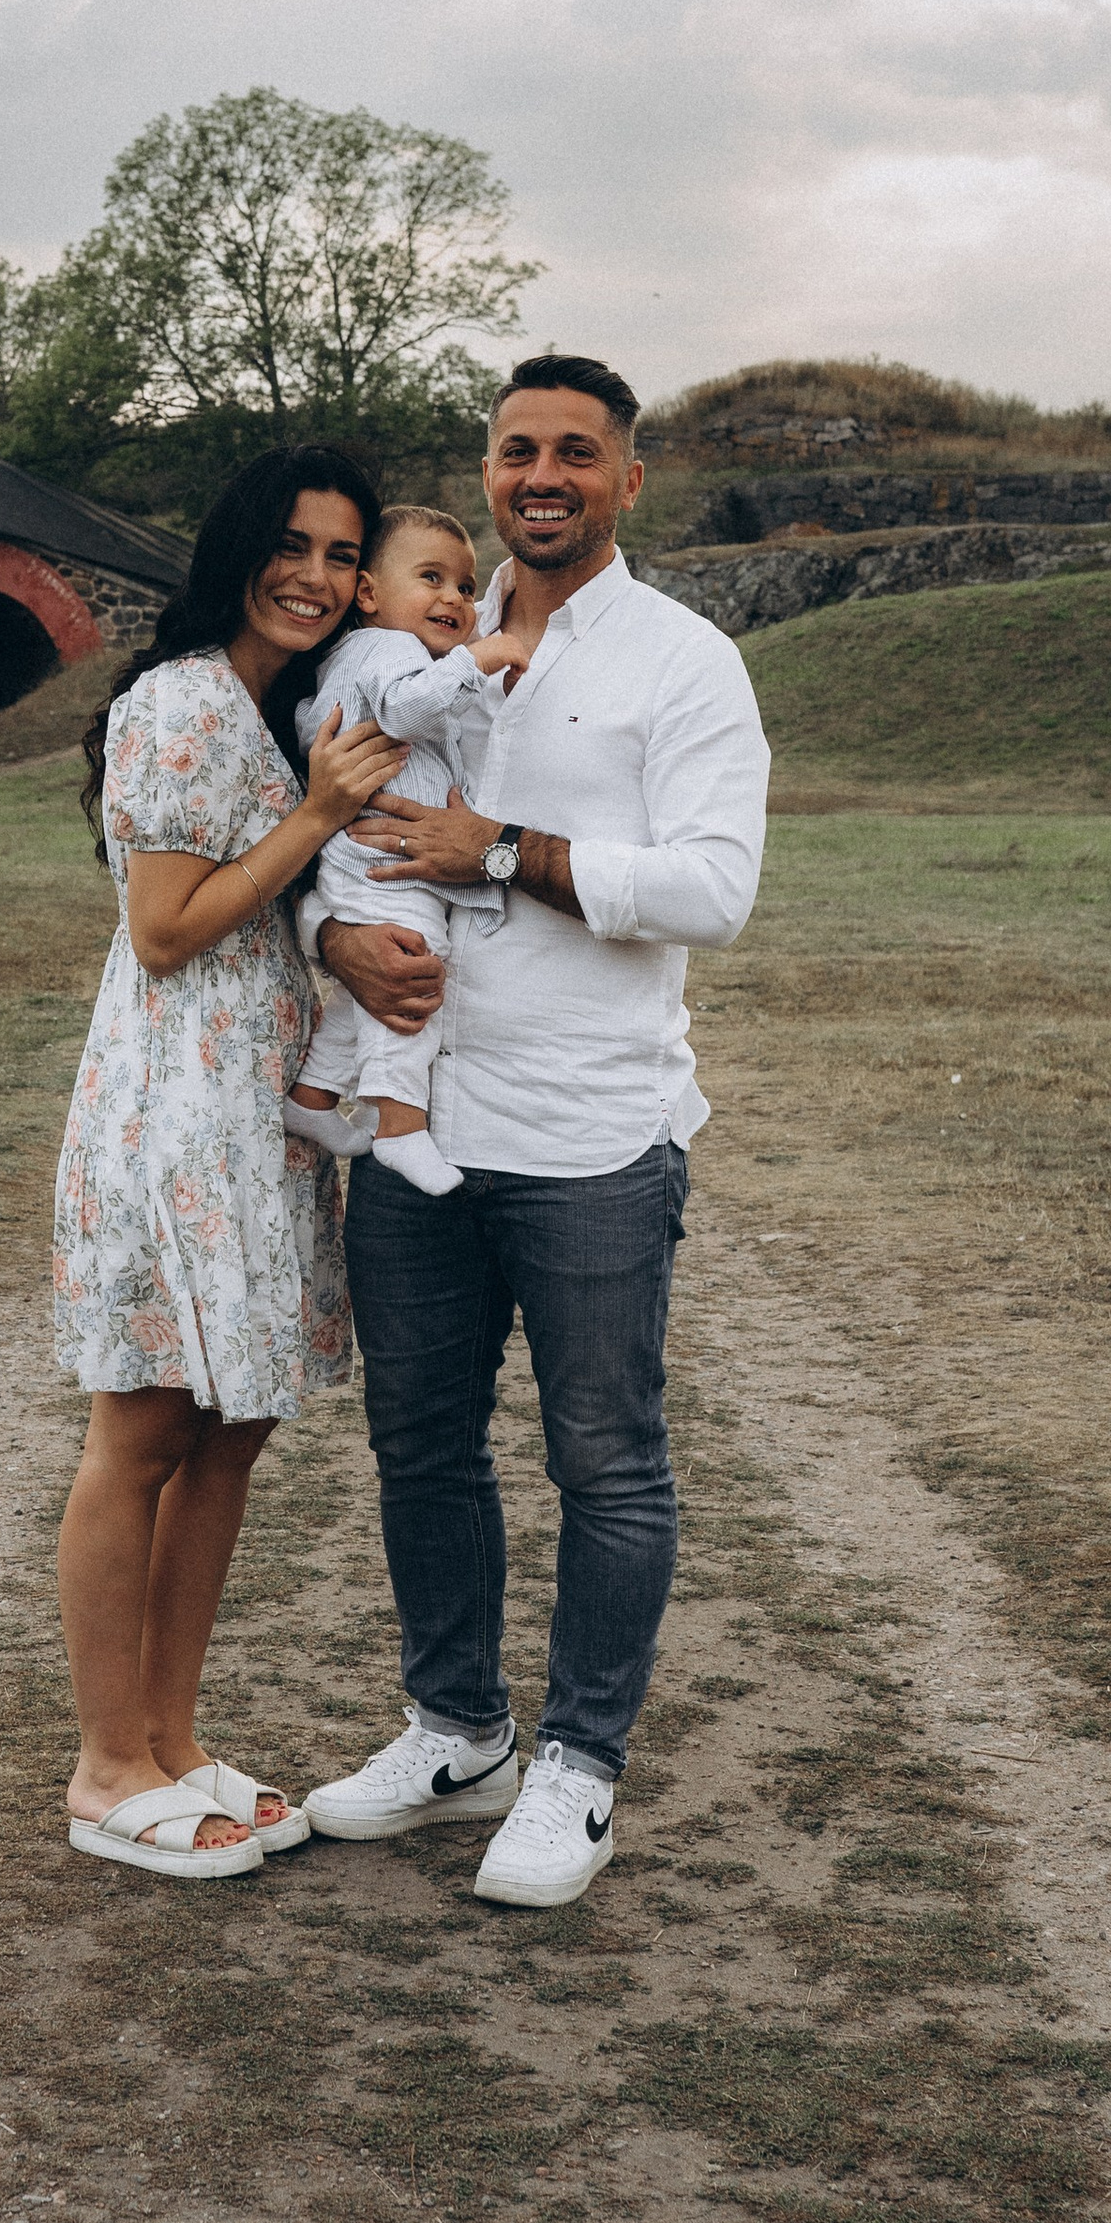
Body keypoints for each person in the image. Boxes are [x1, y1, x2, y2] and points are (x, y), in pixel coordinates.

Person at [297, 354, 770, 1908]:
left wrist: (496, 849)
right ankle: (456, 1730)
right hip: (420, 1125)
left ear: (632, 480)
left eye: (579, 452)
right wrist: (329, 939)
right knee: (421, 1445)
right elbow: (318, 824)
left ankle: (577, 1767)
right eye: (517, 451)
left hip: (588, 1133)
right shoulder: (405, 639)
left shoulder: (685, 664)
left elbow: (713, 889)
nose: (543, 475)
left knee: (605, 1459)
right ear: (487, 470)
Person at [51, 444, 406, 1878]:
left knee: (231, 1432)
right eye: (294, 545)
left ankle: (175, 1737)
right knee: (140, 1435)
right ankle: (103, 1765)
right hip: (168, 1119)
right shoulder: (183, 702)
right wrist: (314, 819)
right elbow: (168, 930)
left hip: (259, 1121)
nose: (315, 575)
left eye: (342, 553)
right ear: (239, 548)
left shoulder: (294, 704)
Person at [283, 507, 524, 1200]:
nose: (453, 597)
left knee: (372, 992)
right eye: (431, 578)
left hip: (363, 861)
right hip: (380, 862)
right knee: (411, 978)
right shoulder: (394, 651)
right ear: (369, 594)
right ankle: (397, 1125)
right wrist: (478, 659)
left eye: (465, 585)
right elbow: (403, 712)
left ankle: (314, 1096)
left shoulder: (357, 654)